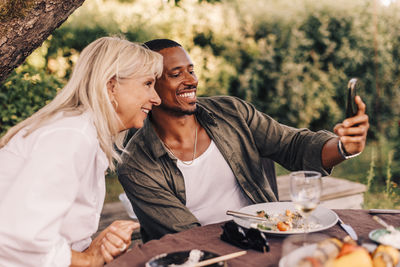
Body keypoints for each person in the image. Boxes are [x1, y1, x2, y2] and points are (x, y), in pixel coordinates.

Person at [118, 39, 369, 242]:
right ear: (150, 86)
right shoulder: (136, 164)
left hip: (268, 238)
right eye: (176, 74)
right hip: (204, 255)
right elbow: (186, 236)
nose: (192, 80)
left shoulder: (232, 113)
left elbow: (294, 146)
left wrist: (344, 147)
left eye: (191, 70)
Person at [0, 36, 163, 266]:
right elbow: (18, 238)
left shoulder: (82, 132)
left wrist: (92, 247)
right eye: (148, 84)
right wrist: (88, 259)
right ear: (112, 85)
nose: (156, 98)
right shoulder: (71, 135)